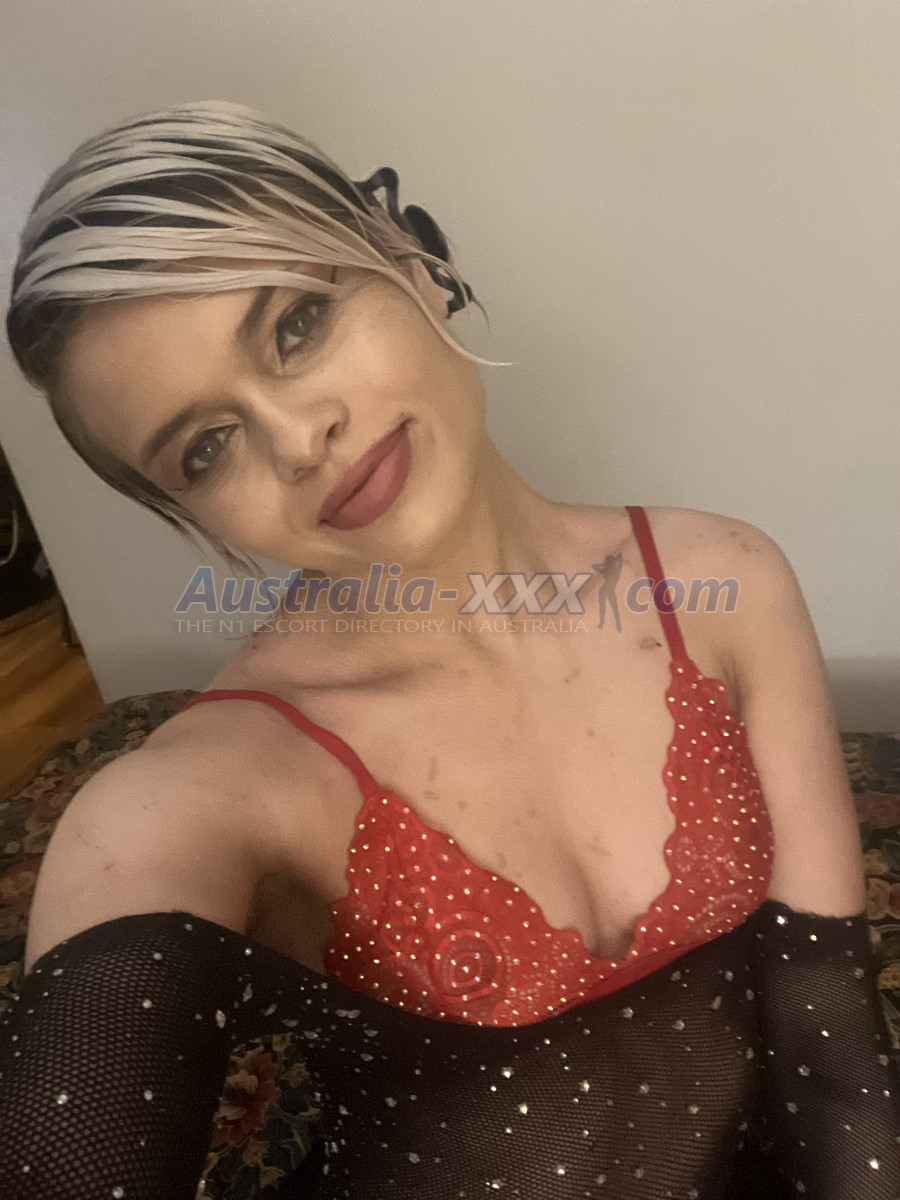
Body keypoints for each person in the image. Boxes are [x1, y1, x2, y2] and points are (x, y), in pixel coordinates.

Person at [0, 100, 897, 1199]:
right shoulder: (195, 798)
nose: (298, 438)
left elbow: (833, 1055)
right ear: (191, 513)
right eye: (207, 447)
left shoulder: (725, 582)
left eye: (295, 324)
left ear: (414, 259)